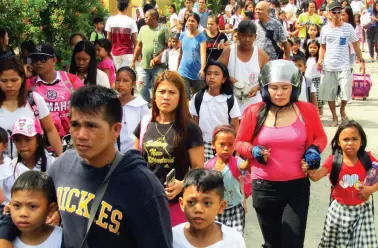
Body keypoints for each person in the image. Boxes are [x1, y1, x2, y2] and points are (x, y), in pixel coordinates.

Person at [0, 85, 173, 248]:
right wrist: (5, 236)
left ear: (116, 130)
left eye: (91, 126)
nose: (81, 135)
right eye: (75, 125)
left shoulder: (144, 187)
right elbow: (25, 201)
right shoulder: (62, 165)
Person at [235, 60, 327, 248]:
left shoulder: (307, 110)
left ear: (294, 88)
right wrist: (253, 150)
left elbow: (321, 137)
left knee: (293, 242)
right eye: (274, 87)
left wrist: (313, 150)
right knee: (272, 243)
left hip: (297, 187)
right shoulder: (254, 112)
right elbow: (238, 143)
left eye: (285, 87)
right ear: (265, 88)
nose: (279, 93)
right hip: (264, 187)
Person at [134, 71, 204, 227]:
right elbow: (135, 162)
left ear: (180, 97)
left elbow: (199, 169)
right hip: (145, 202)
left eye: (172, 92)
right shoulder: (145, 123)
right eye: (162, 92)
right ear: (154, 95)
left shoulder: (190, 129)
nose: (166, 97)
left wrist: (182, 184)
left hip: (176, 206)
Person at [302, 120, 378, 247]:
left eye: (355, 139)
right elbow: (316, 177)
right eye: (346, 139)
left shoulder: (367, 158)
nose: (350, 143)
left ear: (361, 141)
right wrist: (308, 169)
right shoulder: (333, 161)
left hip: (363, 212)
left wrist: (371, 189)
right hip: (339, 212)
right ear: (338, 141)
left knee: (365, 245)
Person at [0, 57, 62, 158]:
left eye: (14, 80)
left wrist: (61, 158)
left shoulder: (34, 100)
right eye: (4, 81)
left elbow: (50, 130)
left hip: (33, 166)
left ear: (22, 78)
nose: (9, 85)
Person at [317, 1, 365, 127]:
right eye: (334, 12)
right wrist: (320, 59)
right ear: (329, 13)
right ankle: (334, 116)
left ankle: (342, 109)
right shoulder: (325, 29)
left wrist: (362, 60)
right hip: (329, 65)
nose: (337, 14)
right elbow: (322, 47)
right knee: (329, 93)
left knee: (345, 92)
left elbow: (355, 45)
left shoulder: (348, 27)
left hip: (344, 65)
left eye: (339, 11)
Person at [172, 168, 246, 248]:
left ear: (221, 206)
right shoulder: (172, 238)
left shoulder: (233, 240)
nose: (198, 209)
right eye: (191, 202)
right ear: (182, 204)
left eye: (207, 203)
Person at [26, 44, 84, 139]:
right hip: (41, 141)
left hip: (72, 138)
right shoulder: (29, 85)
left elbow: (87, 107)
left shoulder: (70, 80)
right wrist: (23, 75)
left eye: (43, 58)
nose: (39, 63)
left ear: (54, 60)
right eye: (35, 59)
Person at [190, 60, 240, 161]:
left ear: (224, 79)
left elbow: (235, 126)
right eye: (208, 74)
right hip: (203, 145)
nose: (212, 77)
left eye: (216, 74)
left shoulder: (229, 99)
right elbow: (195, 123)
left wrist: (237, 151)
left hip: (224, 146)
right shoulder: (198, 97)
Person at [205, 125, 250, 235]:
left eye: (230, 145)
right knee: (217, 239)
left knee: (236, 238)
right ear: (213, 145)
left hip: (236, 209)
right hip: (215, 210)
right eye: (222, 144)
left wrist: (251, 154)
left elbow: (244, 166)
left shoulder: (236, 162)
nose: (226, 148)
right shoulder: (208, 166)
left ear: (235, 146)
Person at [0, 117, 55, 206]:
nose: (22, 145)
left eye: (28, 140)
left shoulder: (52, 164)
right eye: (17, 140)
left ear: (38, 141)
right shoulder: (11, 167)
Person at [218, 20, 269, 113]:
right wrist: (231, 80)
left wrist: (257, 87)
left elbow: (268, 78)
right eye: (244, 35)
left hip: (254, 104)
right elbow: (216, 71)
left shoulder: (261, 55)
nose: (247, 39)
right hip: (230, 101)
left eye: (250, 36)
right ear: (238, 35)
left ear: (255, 37)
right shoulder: (229, 51)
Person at [10, 171, 62, 248]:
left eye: (32, 206)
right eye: (17, 205)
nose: (23, 213)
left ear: (50, 209)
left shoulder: (62, 239)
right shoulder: (5, 240)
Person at [131, 9, 169, 104]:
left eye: (147, 17)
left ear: (154, 18)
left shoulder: (163, 29)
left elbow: (168, 46)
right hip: (144, 66)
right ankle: (147, 104)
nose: (144, 19)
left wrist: (159, 57)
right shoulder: (143, 29)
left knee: (157, 88)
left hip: (159, 67)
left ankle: (156, 107)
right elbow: (139, 46)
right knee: (140, 87)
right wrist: (133, 61)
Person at [115, 66, 149, 153]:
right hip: (113, 151)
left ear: (133, 84)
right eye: (118, 80)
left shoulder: (141, 105)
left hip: (134, 151)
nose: (120, 84)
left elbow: (146, 130)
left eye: (125, 81)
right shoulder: (111, 103)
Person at [178, 13, 207, 100]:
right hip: (183, 71)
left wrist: (202, 69)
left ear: (197, 24)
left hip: (197, 73)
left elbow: (203, 54)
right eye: (189, 21)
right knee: (183, 98)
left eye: (193, 21)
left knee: (199, 98)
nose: (190, 23)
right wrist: (177, 68)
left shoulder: (201, 37)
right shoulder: (182, 35)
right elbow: (180, 53)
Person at [105, 0, 138, 69]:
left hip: (114, 52)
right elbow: (134, 40)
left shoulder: (110, 20)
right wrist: (137, 54)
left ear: (117, 7)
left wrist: (107, 52)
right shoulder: (131, 21)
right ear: (126, 8)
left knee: (117, 75)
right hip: (128, 52)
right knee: (128, 74)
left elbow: (108, 38)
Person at [304, 40, 324, 114]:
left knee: (317, 96)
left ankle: (319, 108)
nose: (312, 49)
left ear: (318, 48)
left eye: (315, 47)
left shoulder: (319, 59)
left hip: (317, 79)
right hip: (308, 79)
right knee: (309, 95)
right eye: (310, 47)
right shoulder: (306, 58)